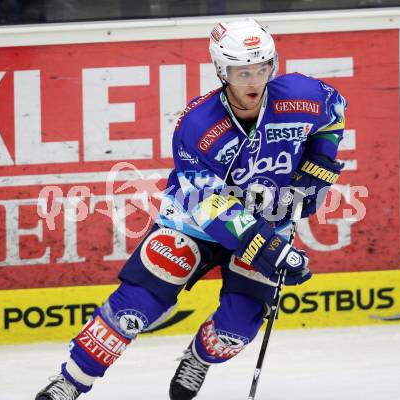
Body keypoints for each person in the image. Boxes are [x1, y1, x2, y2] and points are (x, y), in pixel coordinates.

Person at [35, 18, 346, 400]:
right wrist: (270, 249)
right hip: (192, 222)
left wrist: (317, 167)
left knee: (235, 330)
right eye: (241, 72)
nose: (253, 81)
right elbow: (210, 205)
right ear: (221, 70)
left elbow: (334, 113)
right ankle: (70, 381)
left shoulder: (303, 94)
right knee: (138, 304)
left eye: (262, 69)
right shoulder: (197, 125)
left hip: (270, 217)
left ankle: (198, 358)